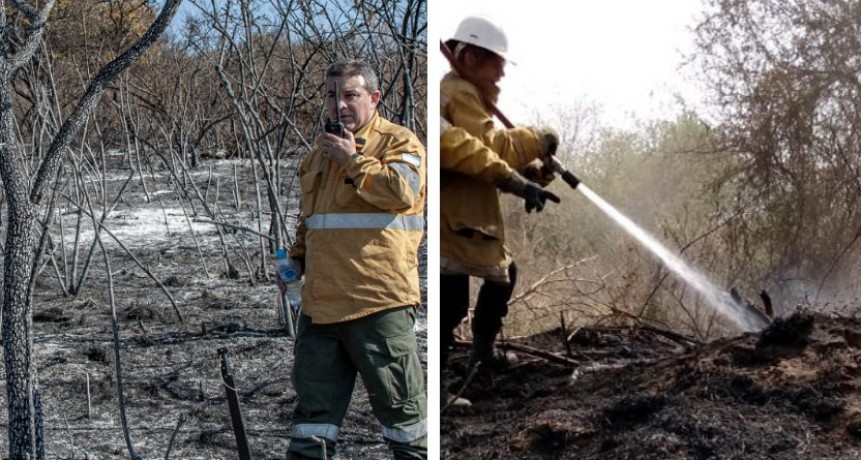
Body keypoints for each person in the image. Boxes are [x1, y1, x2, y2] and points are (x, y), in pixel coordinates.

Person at [280, 59, 427, 460]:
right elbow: (311, 222)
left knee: (404, 420)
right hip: (321, 309)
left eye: (350, 95)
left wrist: (353, 159)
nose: (339, 105)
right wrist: (297, 260)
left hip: (378, 304)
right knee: (312, 423)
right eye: (332, 95)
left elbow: (400, 192)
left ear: (374, 98)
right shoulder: (316, 158)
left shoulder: (401, 143)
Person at [440, 16, 562, 407]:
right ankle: (439, 392)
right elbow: (488, 149)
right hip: (452, 219)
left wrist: (529, 177)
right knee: (449, 303)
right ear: (473, 57)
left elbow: (484, 160)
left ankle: (482, 354)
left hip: (465, 215)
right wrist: (535, 139)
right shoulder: (458, 91)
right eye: (497, 63)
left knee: (504, 274)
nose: (503, 73)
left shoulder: (465, 93)